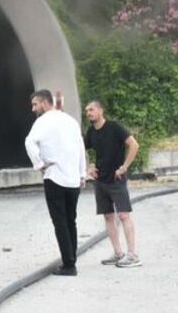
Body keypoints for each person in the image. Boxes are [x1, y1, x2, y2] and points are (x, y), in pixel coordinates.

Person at [24, 89, 87, 276]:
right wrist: (82, 174)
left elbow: (29, 142)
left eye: (35, 104)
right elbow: (80, 148)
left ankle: (69, 265)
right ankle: (72, 258)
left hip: (54, 177)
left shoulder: (42, 122)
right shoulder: (70, 121)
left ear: (44, 102)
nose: (33, 109)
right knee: (71, 220)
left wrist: (39, 164)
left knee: (60, 222)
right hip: (73, 179)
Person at [84, 100, 142, 268]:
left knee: (123, 215)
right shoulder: (91, 131)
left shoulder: (114, 127)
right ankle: (118, 253)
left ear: (101, 110)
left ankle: (133, 255)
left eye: (91, 110)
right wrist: (88, 167)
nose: (88, 113)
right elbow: (82, 149)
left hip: (116, 179)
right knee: (108, 217)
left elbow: (134, 145)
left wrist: (124, 167)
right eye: (87, 111)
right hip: (100, 180)